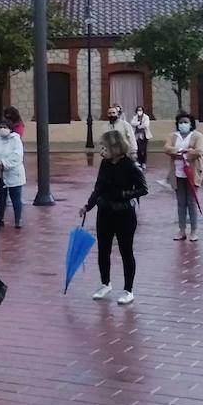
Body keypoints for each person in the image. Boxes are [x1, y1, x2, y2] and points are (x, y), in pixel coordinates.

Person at [82, 130, 147, 305]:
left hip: (124, 213)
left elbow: (143, 189)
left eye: (104, 147)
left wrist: (125, 194)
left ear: (116, 147)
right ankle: (105, 283)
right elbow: (99, 187)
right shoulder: (104, 164)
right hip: (105, 212)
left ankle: (128, 290)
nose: (101, 151)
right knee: (103, 249)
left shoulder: (130, 165)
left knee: (126, 251)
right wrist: (88, 205)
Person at [165, 112, 203, 241]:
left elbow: (199, 151)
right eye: (181, 122)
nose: (183, 124)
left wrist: (185, 154)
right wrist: (178, 152)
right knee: (181, 202)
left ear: (191, 123)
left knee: (191, 202)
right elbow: (167, 148)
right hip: (177, 172)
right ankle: (182, 230)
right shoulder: (173, 136)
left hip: (192, 172)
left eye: (186, 122)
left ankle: (194, 231)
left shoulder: (197, 136)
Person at [0, 120, 27, 228]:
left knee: (16, 198)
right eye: (1, 127)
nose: (2, 129)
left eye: (5, 127)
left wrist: (4, 164)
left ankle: (18, 219)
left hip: (13, 174)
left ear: (10, 128)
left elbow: (17, 156)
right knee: (0, 199)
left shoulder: (16, 140)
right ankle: (0, 219)